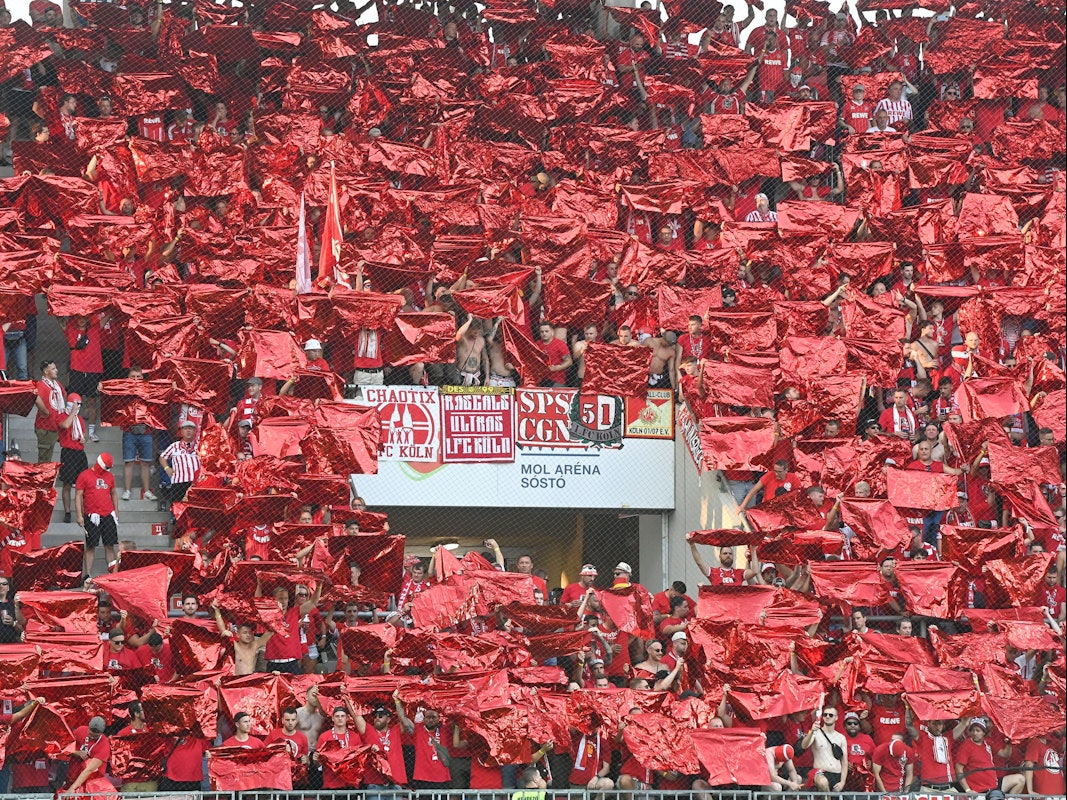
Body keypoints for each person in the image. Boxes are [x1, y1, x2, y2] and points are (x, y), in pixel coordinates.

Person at [75, 453, 119, 575]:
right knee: (90, 546)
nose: (107, 470)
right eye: (106, 467)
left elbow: (114, 493)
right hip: (92, 515)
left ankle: (113, 574)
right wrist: (79, 515)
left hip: (108, 515)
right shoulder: (84, 475)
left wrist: (116, 510)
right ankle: (88, 574)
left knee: (109, 545)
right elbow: (78, 496)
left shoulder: (110, 476)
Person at [394, 696, 451, 790]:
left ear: (438, 719)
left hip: (442, 777)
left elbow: (457, 716)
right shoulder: (418, 729)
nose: (431, 720)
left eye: (433, 717)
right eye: (428, 717)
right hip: (423, 777)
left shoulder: (445, 729)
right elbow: (403, 719)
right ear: (423, 719)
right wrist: (397, 701)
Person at [119, 366, 158, 501]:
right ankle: (127, 490)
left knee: (145, 463)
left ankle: (147, 491)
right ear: (128, 378)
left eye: (138, 377)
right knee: (128, 462)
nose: (135, 380)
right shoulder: (123, 390)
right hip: (129, 431)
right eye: (133, 377)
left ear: (143, 378)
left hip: (146, 431)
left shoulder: (149, 390)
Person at [56, 393, 88, 524]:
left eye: (79, 404)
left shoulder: (79, 418)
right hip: (68, 452)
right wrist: (72, 412)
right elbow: (64, 425)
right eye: (75, 404)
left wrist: (84, 438)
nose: (77, 407)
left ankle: (83, 511)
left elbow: (83, 435)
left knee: (83, 485)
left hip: (79, 452)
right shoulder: (62, 415)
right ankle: (68, 511)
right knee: (67, 483)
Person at [801, 706, 848, 791]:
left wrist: (842, 782)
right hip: (820, 773)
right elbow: (804, 745)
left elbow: (844, 762)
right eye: (825, 714)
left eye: (831, 715)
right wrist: (811, 731)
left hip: (836, 774)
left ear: (836, 717)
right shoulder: (815, 733)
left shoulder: (841, 737)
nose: (827, 716)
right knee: (823, 782)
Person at [66, 716, 111, 794]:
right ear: (88, 727)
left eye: (95, 736)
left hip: (93, 783)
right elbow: (65, 747)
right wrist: (77, 752)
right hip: (74, 775)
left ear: (102, 733)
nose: (92, 737)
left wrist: (73, 787)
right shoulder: (80, 730)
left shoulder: (104, 745)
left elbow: (89, 769)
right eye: (90, 734)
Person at [159, 419, 200, 505]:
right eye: (185, 429)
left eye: (191, 428)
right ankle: (174, 518)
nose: (188, 431)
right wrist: (167, 468)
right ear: (181, 431)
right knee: (177, 507)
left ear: (195, 431)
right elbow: (162, 457)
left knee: (195, 508)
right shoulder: (175, 446)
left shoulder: (200, 445)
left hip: (196, 483)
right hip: (179, 482)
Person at [33, 360, 65, 463]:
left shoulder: (56, 384)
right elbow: (37, 399)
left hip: (57, 425)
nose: (57, 370)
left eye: (56, 368)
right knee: (44, 458)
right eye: (53, 369)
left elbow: (64, 394)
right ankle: (42, 477)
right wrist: (45, 411)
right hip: (46, 427)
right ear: (46, 372)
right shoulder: (41, 385)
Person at [536, 322, 571, 387]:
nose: (544, 333)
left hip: (556, 379)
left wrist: (557, 367)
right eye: (542, 332)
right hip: (540, 378)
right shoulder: (537, 344)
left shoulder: (559, 344)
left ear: (552, 331)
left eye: (546, 331)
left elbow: (569, 361)